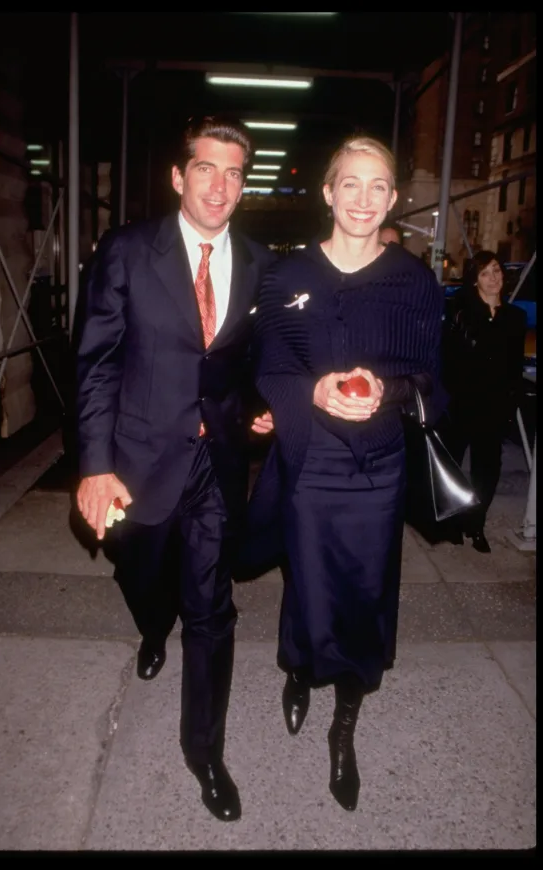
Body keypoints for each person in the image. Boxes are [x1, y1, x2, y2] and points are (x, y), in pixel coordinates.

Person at [75, 115, 275, 822]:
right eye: (206, 169)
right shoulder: (127, 252)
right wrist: (95, 466)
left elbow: (243, 360)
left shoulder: (255, 261)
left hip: (215, 461)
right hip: (136, 461)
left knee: (213, 607)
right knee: (141, 571)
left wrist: (256, 406)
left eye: (234, 173)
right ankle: (152, 623)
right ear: (178, 175)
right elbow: (96, 362)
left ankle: (205, 751)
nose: (220, 186)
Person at [250, 135, 445, 811]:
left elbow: (433, 383)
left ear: (393, 198)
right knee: (305, 577)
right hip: (310, 456)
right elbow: (270, 367)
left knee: (365, 586)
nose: (364, 199)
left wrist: (381, 390)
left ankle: (346, 717)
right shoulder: (285, 277)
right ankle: (301, 669)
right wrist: (312, 391)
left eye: (379, 187)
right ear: (328, 192)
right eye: (350, 184)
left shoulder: (415, 281)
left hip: (378, 465)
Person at [440, 250, 526, 553]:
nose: (494, 278)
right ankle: (450, 522)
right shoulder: (461, 312)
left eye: (497, 271)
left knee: (487, 470)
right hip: (462, 403)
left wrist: (510, 401)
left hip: (494, 406)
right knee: (450, 466)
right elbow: (447, 360)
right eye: (486, 273)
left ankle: (476, 524)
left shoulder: (516, 318)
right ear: (475, 280)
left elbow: (514, 366)